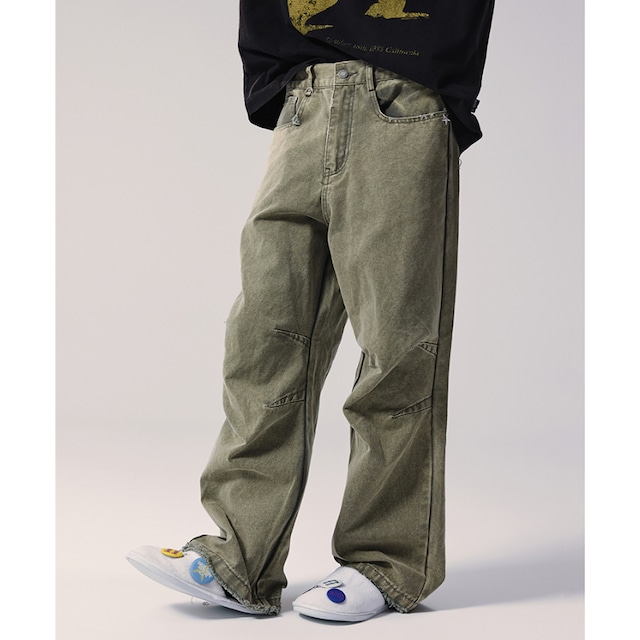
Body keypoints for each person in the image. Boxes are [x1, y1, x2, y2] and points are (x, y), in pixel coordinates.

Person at [127, 0, 495, 623]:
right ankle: (239, 560)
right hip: (302, 103)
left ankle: (385, 561)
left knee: (397, 349)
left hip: (403, 102)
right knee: (263, 341)